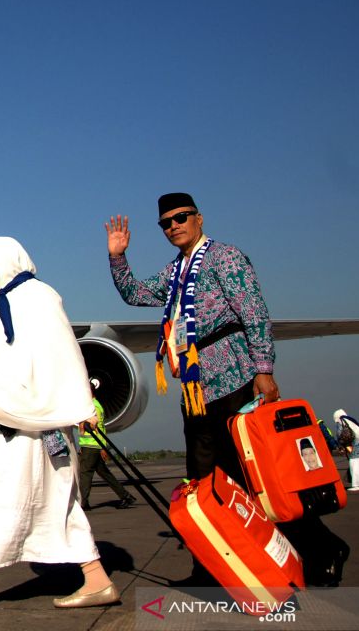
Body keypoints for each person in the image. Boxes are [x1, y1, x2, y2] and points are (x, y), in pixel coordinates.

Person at [0, 239, 118, 611]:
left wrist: (79, 404)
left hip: (38, 425)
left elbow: (66, 351)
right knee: (59, 503)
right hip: (13, 423)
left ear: (5, 262)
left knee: (1, 499)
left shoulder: (39, 298)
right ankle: (96, 578)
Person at [105, 193, 279, 484]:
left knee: (242, 467)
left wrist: (263, 370)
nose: (173, 225)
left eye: (180, 217)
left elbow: (254, 312)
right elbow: (136, 294)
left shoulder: (225, 257)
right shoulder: (174, 272)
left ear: (199, 218)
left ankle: (266, 527)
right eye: (165, 223)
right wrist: (117, 257)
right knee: (203, 474)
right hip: (196, 389)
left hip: (234, 378)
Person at [77, 378, 135, 511]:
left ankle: (83, 503)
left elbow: (94, 427)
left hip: (91, 446)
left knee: (85, 473)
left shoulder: (92, 407)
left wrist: (102, 446)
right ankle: (125, 496)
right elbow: (102, 429)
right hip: (93, 445)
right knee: (105, 473)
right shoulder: (96, 405)